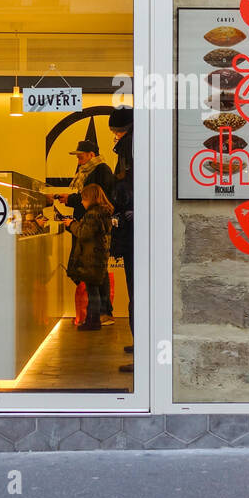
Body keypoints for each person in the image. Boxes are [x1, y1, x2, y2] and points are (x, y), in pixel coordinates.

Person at [55, 138, 117, 323]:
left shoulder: (101, 170)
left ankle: (99, 315)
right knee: (97, 274)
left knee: (95, 275)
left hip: (90, 231)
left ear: (91, 155)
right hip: (88, 228)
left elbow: (95, 196)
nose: (78, 161)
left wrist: (73, 202)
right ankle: (99, 314)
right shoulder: (93, 171)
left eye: (81, 157)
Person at [108, 108, 135, 373]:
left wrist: (126, 211)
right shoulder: (135, 144)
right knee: (137, 291)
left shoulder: (130, 147)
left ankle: (144, 351)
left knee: (137, 291)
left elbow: (126, 188)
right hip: (133, 227)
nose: (114, 137)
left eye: (114, 131)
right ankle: (142, 346)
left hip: (132, 230)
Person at [68, 184, 114, 332]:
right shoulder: (104, 212)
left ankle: (93, 321)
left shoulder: (93, 214)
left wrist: (71, 224)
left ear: (90, 198)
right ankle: (93, 320)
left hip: (91, 258)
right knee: (95, 290)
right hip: (99, 257)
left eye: (83, 198)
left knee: (92, 292)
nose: (82, 202)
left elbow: (84, 233)